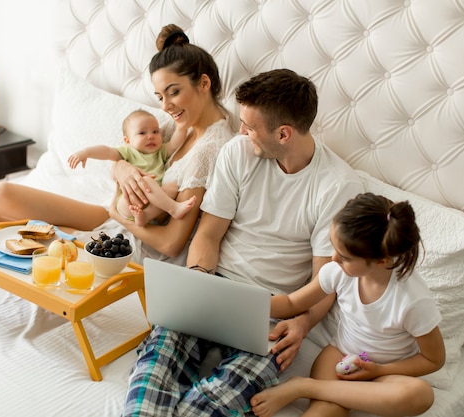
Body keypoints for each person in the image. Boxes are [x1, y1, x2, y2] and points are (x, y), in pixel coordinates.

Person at [0, 24, 234, 267]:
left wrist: (120, 213)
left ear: (204, 83)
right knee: (1, 197)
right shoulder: (177, 124)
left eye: (174, 93)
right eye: (159, 96)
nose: (166, 106)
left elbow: (171, 244)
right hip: (105, 212)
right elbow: (132, 155)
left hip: (117, 240)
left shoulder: (214, 147)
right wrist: (119, 167)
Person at [122, 68, 365, 416]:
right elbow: (208, 234)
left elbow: (324, 281)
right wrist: (197, 283)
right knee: (153, 372)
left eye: (249, 126)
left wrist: (302, 323)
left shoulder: (338, 185)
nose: (240, 131)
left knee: (212, 405)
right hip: (214, 286)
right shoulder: (238, 152)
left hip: (271, 313)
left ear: (283, 133)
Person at [250, 192, 445, 417]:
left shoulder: (412, 301)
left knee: (420, 394)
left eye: (344, 256)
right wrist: (245, 302)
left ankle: (301, 386)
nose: (333, 258)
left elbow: (433, 359)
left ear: (381, 261)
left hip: (384, 372)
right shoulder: (339, 272)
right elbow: (292, 302)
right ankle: (316, 391)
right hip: (339, 356)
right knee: (328, 410)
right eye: (333, 248)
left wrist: (379, 370)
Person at [67, 109, 196, 227]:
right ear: (127, 141)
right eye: (142, 133)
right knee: (146, 180)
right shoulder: (129, 151)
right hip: (128, 202)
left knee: (173, 187)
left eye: (155, 131)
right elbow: (107, 151)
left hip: (156, 203)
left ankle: (146, 216)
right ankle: (174, 208)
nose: (150, 136)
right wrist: (86, 152)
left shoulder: (160, 152)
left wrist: (181, 127)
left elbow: (174, 144)